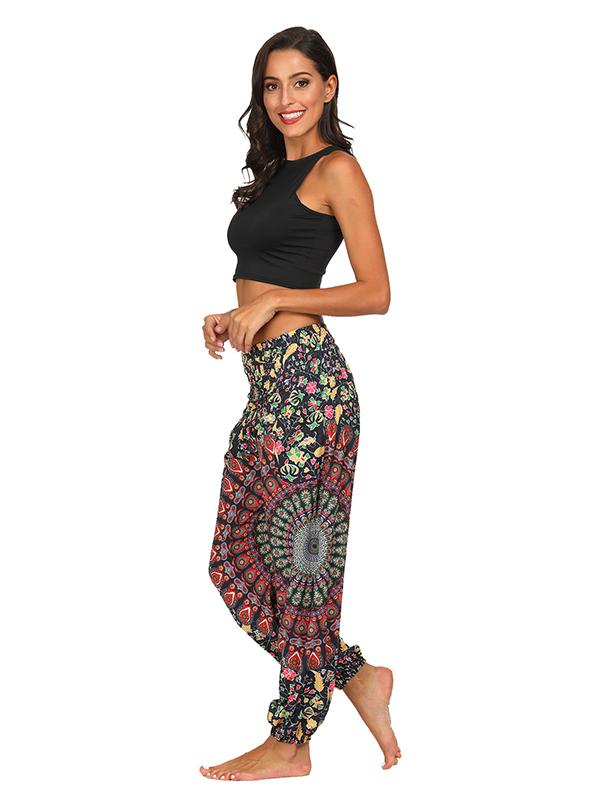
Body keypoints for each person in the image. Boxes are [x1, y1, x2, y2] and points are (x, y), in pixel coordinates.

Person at [200, 26, 401, 781]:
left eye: (302, 81)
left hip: (311, 389)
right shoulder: (273, 175)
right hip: (269, 385)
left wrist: (275, 299)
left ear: (329, 87)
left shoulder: (337, 168)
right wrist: (236, 314)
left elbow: (377, 292)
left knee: (301, 567)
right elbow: (266, 278)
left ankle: (292, 741)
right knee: (235, 559)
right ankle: (356, 675)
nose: (287, 98)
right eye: (273, 85)